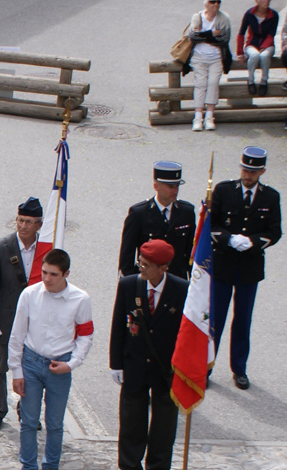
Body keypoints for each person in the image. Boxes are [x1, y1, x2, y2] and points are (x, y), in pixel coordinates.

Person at [8, 249, 94, 470]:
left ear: (66, 274)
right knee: (28, 420)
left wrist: (72, 363)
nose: (46, 278)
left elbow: (86, 335)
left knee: (55, 424)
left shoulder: (80, 299)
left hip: (61, 365)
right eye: (44, 272)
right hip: (32, 362)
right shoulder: (30, 294)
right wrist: (16, 370)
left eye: (53, 275)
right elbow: (17, 334)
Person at [109, 241, 189, 470]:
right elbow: (119, 326)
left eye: (146, 265)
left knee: (165, 423)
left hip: (166, 368)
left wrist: (185, 369)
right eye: (140, 262)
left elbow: (187, 335)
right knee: (131, 420)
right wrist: (116, 363)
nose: (140, 267)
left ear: (163, 267)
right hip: (134, 363)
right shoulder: (129, 284)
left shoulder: (182, 290)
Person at [210, 146, 281, 390]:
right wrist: (228, 238)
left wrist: (252, 242)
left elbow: (275, 232)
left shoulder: (270, 197)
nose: (248, 175)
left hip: (249, 268)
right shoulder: (223, 190)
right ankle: (206, 366)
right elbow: (212, 223)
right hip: (223, 264)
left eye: (253, 171)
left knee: (243, 320)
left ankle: (239, 368)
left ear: (262, 171)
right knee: (215, 319)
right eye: (245, 169)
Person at [0, 197, 44, 432]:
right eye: (20, 220)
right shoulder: (2, 247)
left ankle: (27, 410)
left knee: (32, 369)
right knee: (0, 367)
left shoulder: (45, 249)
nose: (23, 226)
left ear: (39, 224)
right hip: (7, 320)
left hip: (35, 321)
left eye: (29, 222)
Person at [118, 162, 197, 280]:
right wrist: (131, 282)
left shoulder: (186, 212)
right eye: (170, 186)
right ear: (156, 186)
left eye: (176, 186)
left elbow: (191, 251)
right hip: (148, 278)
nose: (175, 190)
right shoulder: (139, 213)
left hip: (176, 280)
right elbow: (127, 254)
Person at [187, 0, 232, 132]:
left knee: (213, 83)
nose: (216, 4)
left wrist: (202, 34)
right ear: (205, 3)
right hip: (199, 57)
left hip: (216, 58)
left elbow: (224, 39)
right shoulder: (197, 17)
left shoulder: (224, 18)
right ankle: (197, 117)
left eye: (218, 2)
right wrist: (212, 34)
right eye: (212, 2)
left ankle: (209, 117)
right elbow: (192, 37)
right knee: (200, 84)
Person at [236, 0, 277, 95]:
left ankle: (264, 81)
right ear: (257, 1)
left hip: (268, 45)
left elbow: (271, 35)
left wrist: (264, 46)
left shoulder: (274, 15)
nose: (265, 1)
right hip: (252, 44)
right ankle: (250, 80)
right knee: (254, 55)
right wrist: (240, 53)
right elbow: (241, 33)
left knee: (264, 56)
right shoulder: (249, 14)